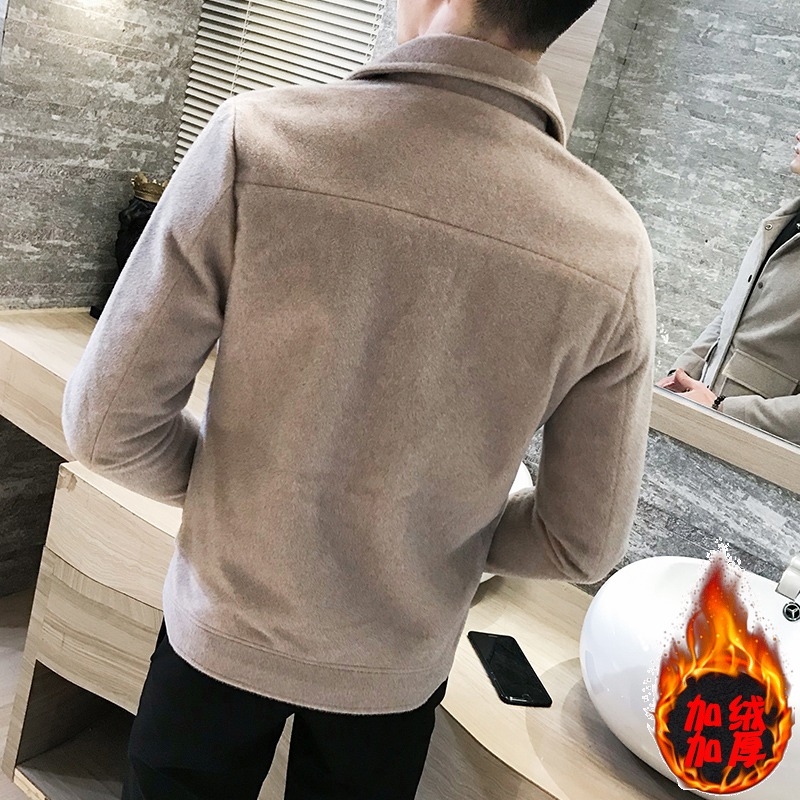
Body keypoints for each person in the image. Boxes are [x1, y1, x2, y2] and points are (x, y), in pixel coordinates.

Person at [61, 1, 655, 798]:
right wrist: (431, 538)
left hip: (222, 632)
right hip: (394, 675)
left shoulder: (259, 140)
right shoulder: (612, 247)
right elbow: (580, 542)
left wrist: (235, 499)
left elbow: (105, 426)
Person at [657, 132, 800, 445]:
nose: (797, 132)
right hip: (703, 426)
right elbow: (730, 315)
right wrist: (679, 374)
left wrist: (724, 409)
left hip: (755, 450)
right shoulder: (783, 221)